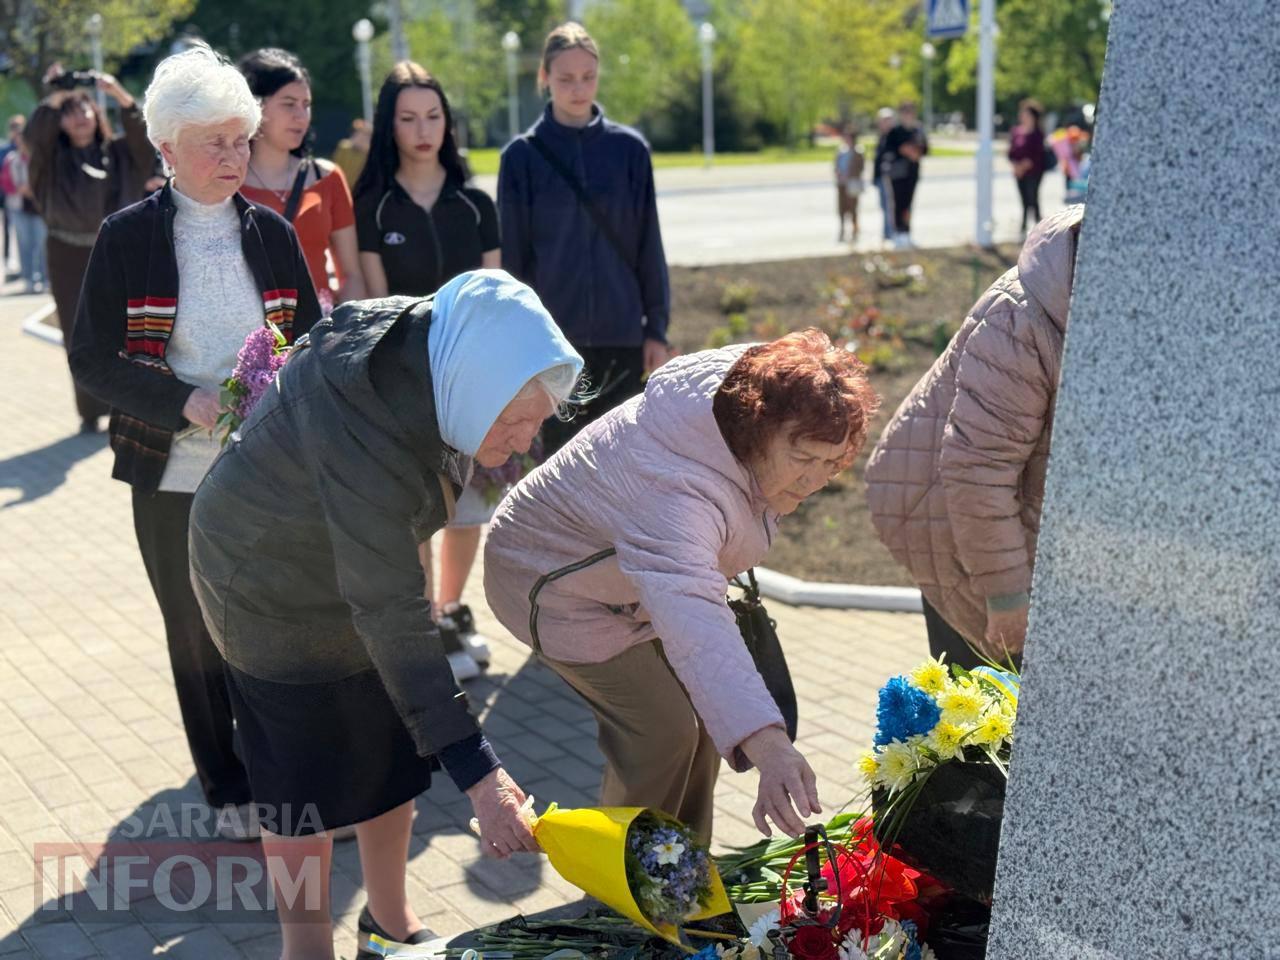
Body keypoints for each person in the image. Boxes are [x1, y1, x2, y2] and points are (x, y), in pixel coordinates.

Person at [188, 270, 578, 960]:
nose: (521, 442)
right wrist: (482, 776)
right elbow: (390, 610)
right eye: (514, 419)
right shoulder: (362, 409)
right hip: (260, 583)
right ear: (475, 385)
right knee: (297, 776)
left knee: (391, 744)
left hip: (352, 558)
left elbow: (389, 582)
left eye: (535, 422)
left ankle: (389, 925)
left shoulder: (439, 349)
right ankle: (304, 945)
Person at [484, 329, 880, 843]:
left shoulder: (749, 404)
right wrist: (771, 749)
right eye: (803, 460)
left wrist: (749, 732)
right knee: (662, 733)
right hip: (548, 586)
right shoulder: (673, 490)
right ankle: (621, 888)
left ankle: (683, 870)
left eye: (831, 465)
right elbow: (695, 620)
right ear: (759, 428)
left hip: (627, 587)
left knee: (703, 725)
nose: (813, 480)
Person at [67, 45, 322, 840]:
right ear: (167, 147)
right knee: (194, 633)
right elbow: (89, 359)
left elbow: (309, 342)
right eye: (212, 141)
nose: (232, 155)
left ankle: (284, 767)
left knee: (271, 623)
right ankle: (226, 786)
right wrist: (186, 401)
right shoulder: (128, 238)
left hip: (265, 476)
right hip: (170, 471)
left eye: (240, 139)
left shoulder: (272, 234)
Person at [864, 205, 1084, 670]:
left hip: (996, 520)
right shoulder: (1021, 321)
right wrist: (1006, 596)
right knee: (978, 715)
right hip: (942, 515)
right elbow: (977, 470)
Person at [354, 62, 504, 680]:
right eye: (409, 118)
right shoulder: (375, 205)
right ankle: (421, 627)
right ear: (391, 126)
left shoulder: (474, 204)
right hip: (408, 387)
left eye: (434, 117)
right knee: (419, 510)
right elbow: (376, 305)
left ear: (449, 123)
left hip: (476, 384)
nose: (423, 130)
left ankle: (448, 610)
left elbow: (499, 296)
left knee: (471, 508)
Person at [498, 21, 671, 456]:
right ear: (545, 78)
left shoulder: (629, 151)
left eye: (588, 78)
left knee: (621, 464)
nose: (578, 89)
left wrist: (657, 328)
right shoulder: (521, 158)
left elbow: (648, 244)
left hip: (623, 335)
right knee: (559, 468)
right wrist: (521, 342)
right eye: (565, 79)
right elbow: (514, 263)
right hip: (553, 343)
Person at [26, 64, 154, 433]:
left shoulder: (117, 153)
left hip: (114, 252)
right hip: (66, 252)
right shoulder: (49, 160)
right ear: (60, 123)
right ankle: (89, 410)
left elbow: (143, 139)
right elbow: (37, 134)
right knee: (77, 333)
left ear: (96, 113)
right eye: (69, 113)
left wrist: (116, 91)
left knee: (126, 330)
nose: (79, 117)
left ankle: (126, 402)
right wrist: (59, 94)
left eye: (84, 108)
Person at [238, 48, 364, 308]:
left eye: (306, 105)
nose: (301, 116)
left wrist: (345, 335)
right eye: (289, 104)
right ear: (254, 106)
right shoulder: (227, 180)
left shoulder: (327, 177)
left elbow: (351, 275)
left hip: (318, 336)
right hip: (247, 338)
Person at [2, 125, 48, 293]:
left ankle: (44, 279)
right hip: (19, 207)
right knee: (24, 244)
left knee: (41, 244)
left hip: (39, 208)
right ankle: (28, 278)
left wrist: (33, 189)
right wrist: (18, 189)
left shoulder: (40, 159)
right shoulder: (11, 159)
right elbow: (4, 181)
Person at [880, 101, 929, 248]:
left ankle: (906, 231)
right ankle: (897, 232)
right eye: (905, 112)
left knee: (908, 204)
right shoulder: (895, 131)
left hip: (912, 173)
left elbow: (925, 149)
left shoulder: (918, 130)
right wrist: (906, 151)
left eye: (911, 112)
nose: (908, 115)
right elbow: (891, 150)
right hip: (897, 174)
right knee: (897, 203)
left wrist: (915, 152)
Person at [1008, 98, 1047, 233]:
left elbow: (1037, 155)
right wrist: (1016, 166)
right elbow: (1011, 152)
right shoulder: (1016, 131)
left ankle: (1040, 228)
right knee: (1023, 200)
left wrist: (1024, 165)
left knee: (1033, 198)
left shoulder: (1038, 134)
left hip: (1034, 171)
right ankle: (1023, 227)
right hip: (1019, 172)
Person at [834, 123, 865, 243]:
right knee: (841, 208)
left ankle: (855, 230)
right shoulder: (841, 151)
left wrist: (849, 175)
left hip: (852, 184)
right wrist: (838, 173)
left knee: (853, 208)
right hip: (841, 183)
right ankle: (842, 230)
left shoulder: (858, 151)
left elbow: (860, 168)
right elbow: (836, 165)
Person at [872, 107, 897, 243]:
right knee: (883, 206)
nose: (884, 123)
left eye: (887, 120)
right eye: (882, 121)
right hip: (881, 178)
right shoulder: (882, 137)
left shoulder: (894, 137)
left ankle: (890, 232)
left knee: (889, 206)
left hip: (890, 178)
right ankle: (887, 232)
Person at [332, 117, 371, 189]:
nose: (364, 138)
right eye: (362, 134)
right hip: (342, 188)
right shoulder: (343, 148)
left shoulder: (370, 154)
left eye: (367, 136)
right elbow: (336, 168)